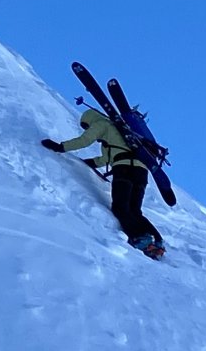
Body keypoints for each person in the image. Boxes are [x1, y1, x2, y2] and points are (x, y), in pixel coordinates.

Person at [44, 110, 165, 258]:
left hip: (124, 169)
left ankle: (140, 239)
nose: (87, 129)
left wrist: (60, 147)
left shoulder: (101, 124)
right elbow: (108, 158)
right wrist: (90, 163)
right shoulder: (120, 131)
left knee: (120, 208)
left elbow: (84, 140)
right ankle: (158, 241)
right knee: (135, 210)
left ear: (89, 120)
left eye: (86, 126)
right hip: (141, 172)